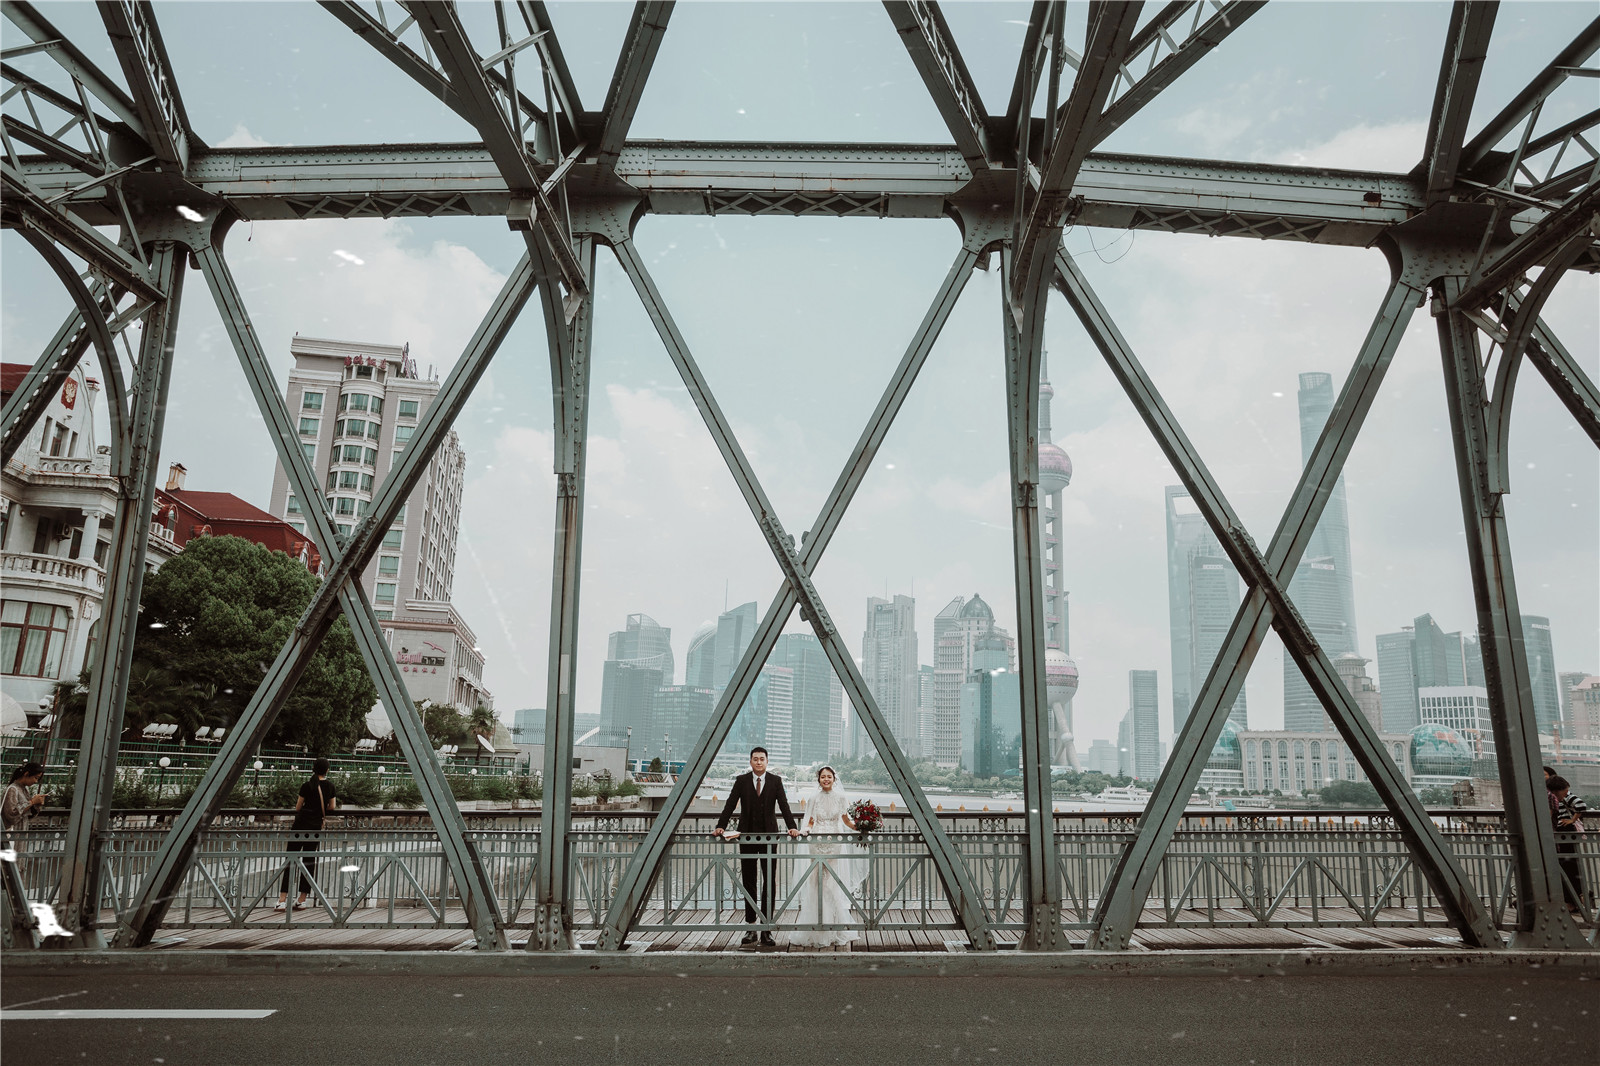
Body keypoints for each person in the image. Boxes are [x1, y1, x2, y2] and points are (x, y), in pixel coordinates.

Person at [713, 747, 799, 946]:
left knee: (769, 882)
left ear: (767, 761)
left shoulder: (776, 781)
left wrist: (792, 827)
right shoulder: (741, 781)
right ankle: (751, 927)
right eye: (755, 759)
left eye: (762, 759)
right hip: (747, 837)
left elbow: (784, 805)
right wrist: (720, 825)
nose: (759, 762)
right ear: (750, 761)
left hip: (770, 837)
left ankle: (766, 928)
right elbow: (730, 804)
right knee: (749, 881)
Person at [790, 766, 866, 950]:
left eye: (829, 777)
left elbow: (846, 820)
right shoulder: (813, 798)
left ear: (834, 779)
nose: (826, 779)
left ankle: (834, 926)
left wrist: (861, 826)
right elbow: (809, 821)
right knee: (815, 882)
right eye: (823, 777)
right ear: (818, 780)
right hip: (816, 842)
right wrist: (804, 831)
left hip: (834, 844)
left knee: (832, 883)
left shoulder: (840, 798)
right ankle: (815, 926)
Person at [276, 758, 337, 912]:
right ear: (327, 770)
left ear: (313, 769)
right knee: (309, 862)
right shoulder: (330, 786)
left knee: (290, 860)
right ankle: (302, 899)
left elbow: (298, 807)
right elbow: (332, 806)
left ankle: (282, 899)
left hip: (300, 827)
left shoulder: (306, 785)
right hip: (315, 828)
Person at [1546, 775, 1588, 914]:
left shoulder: (1566, 796)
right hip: (1562, 834)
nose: (1565, 794)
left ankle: (1572, 901)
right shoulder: (1554, 796)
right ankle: (1573, 900)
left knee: (1568, 867)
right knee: (1567, 867)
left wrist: (1571, 820)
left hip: (1566, 833)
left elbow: (1581, 805)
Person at [2, 762, 47, 838]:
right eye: (36, 778)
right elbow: (11, 814)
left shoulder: (24, 790)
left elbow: (26, 815)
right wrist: (31, 802)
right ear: (26, 774)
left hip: (20, 833)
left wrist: (36, 805)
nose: (36, 781)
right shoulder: (13, 789)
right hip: (12, 834)